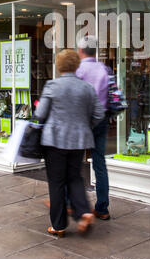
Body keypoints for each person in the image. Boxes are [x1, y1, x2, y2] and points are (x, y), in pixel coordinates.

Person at [35, 49, 105, 237]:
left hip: (54, 141)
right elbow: (99, 114)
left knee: (57, 183)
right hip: (79, 140)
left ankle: (58, 226)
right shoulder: (87, 88)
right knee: (74, 178)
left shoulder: (52, 85)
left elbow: (40, 114)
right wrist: (84, 125)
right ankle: (84, 213)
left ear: (58, 66)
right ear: (76, 66)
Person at [76, 36, 111, 220]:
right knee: (99, 164)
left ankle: (74, 204)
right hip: (102, 119)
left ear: (81, 50)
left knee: (73, 163)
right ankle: (102, 208)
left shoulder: (79, 70)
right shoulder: (105, 69)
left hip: (82, 120)